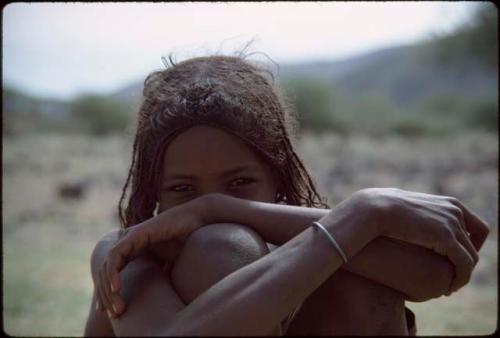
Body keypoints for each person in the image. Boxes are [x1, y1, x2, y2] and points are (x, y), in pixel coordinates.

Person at [84, 53, 489, 336]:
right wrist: (366, 213)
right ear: (154, 191)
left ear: (277, 178)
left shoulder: (289, 234)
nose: (210, 207)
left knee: (353, 277)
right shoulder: (125, 256)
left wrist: (212, 207)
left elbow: (439, 273)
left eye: (240, 183)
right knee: (224, 246)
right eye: (183, 189)